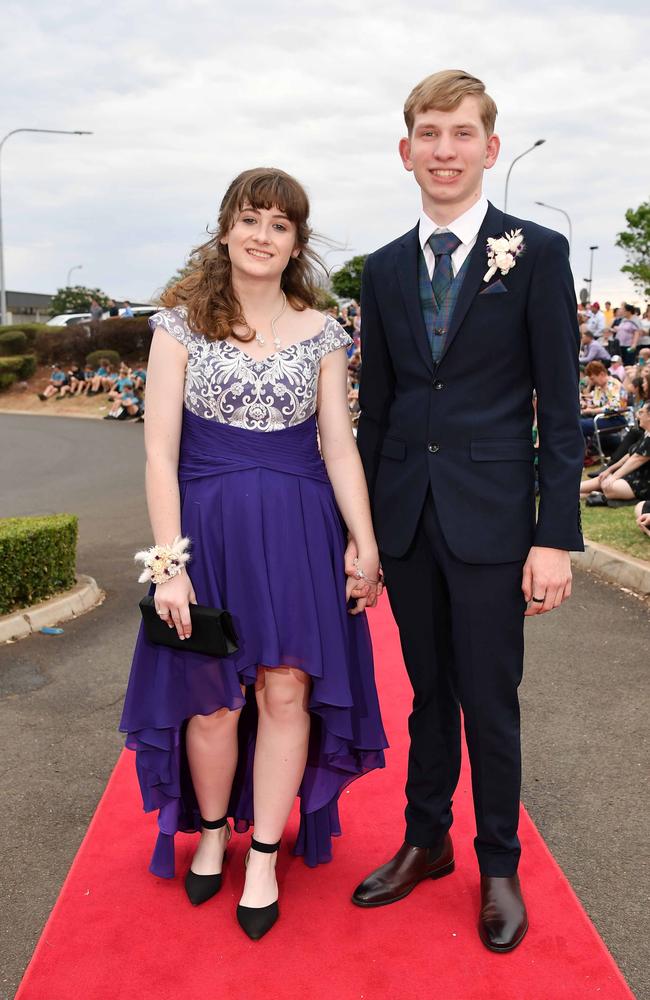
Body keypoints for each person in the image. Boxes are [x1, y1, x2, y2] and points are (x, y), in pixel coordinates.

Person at [119, 167, 387, 941]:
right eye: (251, 219)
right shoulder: (177, 327)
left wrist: (363, 542)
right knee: (213, 699)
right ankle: (211, 833)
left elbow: (338, 447)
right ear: (226, 228)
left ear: (296, 241)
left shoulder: (325, 332)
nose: (263, 235)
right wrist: (169, 566)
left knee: (285, 693)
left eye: (279, 224)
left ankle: (264, 853)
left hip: (302, 534)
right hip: (208, 534)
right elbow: (158, 455)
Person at [351, 69, 584, 954]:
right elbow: (380, 405)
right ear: (404, 151)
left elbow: (561, 412)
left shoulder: (538, 252)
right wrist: (364, 537)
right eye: (427, 134)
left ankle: (497, 863)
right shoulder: (380, 268)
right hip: (407, 517)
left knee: (490, 698)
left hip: (494, 518)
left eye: (460, 134)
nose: (442, 150)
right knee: (427, 696)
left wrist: (556, 535)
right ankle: (425, 841)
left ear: (490, 148)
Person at [580, 404, 650, 503]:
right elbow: (630, 455)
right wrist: (609, 470)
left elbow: (637, 459)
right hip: (634, 475)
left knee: (610, 486)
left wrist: (614, 476)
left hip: (645, 482)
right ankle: (571, 490)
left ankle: (593, 492)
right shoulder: (646, 433)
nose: (637, 416)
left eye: (641, 412)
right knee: (603, 478)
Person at [580, 360, 626, 441]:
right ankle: (587, 446)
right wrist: (586, 407)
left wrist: (590, 411)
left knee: (580, 424)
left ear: (601, 374)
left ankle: (586, 447)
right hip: (603, 417)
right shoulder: (599, 386)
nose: (592, 382)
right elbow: (598, 403)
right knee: (576, 418)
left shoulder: (612, 385)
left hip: (616, 418)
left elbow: (614, 407)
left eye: (592, 379)